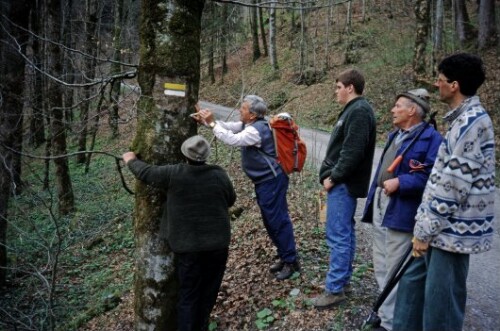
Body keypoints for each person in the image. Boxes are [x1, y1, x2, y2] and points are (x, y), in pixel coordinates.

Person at [393, 53, 496, 331]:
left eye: (439, 80)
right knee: (411, 289)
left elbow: (452, 187)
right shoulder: (461, 120)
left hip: (451, 234)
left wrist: (424, 231)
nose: (435, 85)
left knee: (441, 307)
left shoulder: (471, 124)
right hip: (437, 229)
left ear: (454, 85)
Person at [122, 135, 236, 331]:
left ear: (184, 155)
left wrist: (130, 159)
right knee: (208, 293)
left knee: (189, 295)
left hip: (189, 248)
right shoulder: (219, 174)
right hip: (217, 245)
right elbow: (231, 199)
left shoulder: (174, 173)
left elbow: (146, 173)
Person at [361, 88, 443, 331]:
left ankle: (391, 323)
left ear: (412, 110)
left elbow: (433, 177)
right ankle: (386, 314)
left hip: (402, 208)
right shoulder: (396, 135)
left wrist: (401, 182)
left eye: (398, 106)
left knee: (396, 267)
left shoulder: (432, 139)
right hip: (381, 202)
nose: (392, 110)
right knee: (381, 263)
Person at [194, 95, 300, 280]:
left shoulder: (256, 131)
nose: (239, 111)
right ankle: (284, 255)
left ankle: (291, 261)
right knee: (270, 220)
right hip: (265, 182)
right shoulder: (248, 125)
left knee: (277, 220)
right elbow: (226, 128)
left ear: (252, 114)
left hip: (272, 181)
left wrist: (212, 124)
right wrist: (206, 122)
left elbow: (232, 140)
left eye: (242, 109)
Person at [311, 69, 377, 308]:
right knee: (344, 234)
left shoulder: (359, 110)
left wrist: (333, 177)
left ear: (350, 87)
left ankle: (335, 289)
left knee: (338, 235)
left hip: (342, 184)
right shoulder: (354, 110)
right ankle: (342, 282)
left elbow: (352, 152)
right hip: (342, 183)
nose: (335, 91)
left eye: (338, 87)